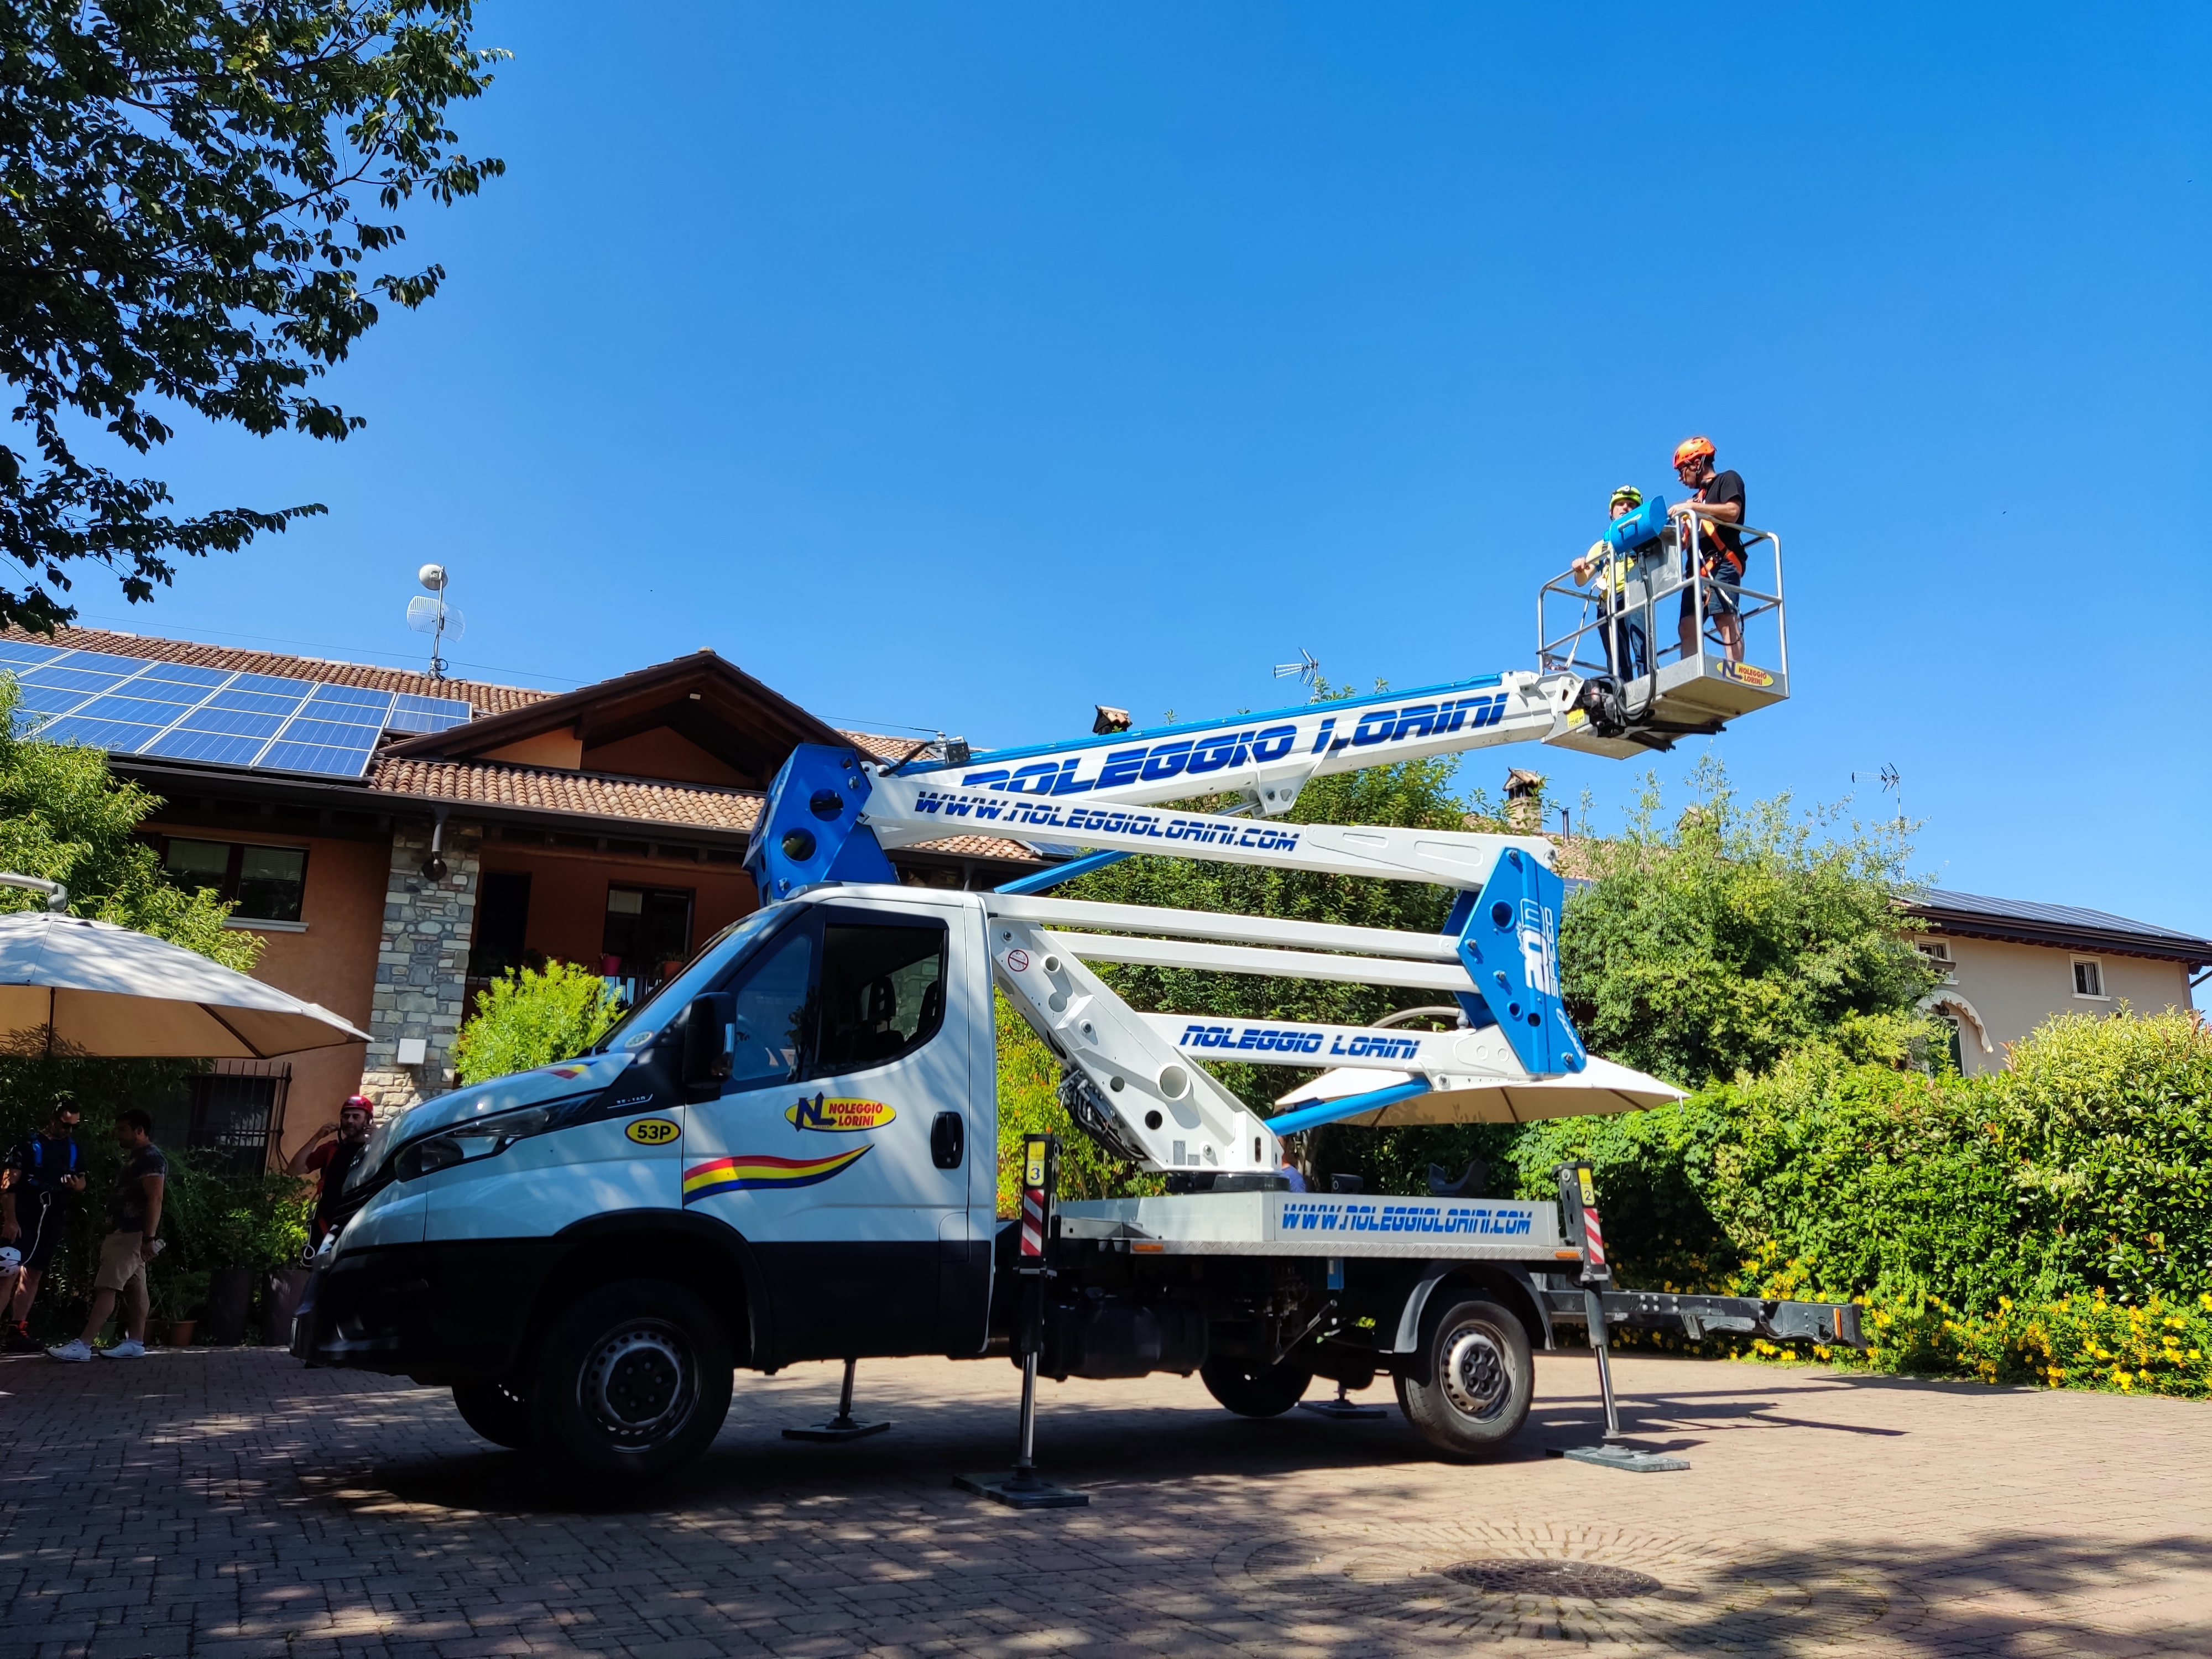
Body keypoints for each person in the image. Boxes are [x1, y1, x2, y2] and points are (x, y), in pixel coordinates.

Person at [48, 1109, 166, 1361]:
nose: (118, 1134)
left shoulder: (151, 1159)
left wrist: (149, 1237)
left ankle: (83, 1344)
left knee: (108, 1287)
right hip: (127, 1231)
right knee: (135, 1287)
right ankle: (135, 1341)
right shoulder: (139, 1158)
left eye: (123, 1129)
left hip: (130, 1233)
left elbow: (155, 1198)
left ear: (140, 1131)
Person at [2, 1094, 87, 1352]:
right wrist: (10, 1219)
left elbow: (82, 1181)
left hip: (51, 1218)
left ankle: (17, 1330)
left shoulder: (72, 1149)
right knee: (7, 1270)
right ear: (52, 1119)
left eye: (73, 1126)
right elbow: (7, 1185)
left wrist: (76, 1186)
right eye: (64, 1124)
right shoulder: (28, 1145)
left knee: (34, 1273)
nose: (68, 1130)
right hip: (23, 1216)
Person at [1669, 435, 1747, 663]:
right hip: (1696, 571)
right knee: (1687, 625)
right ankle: (1690, 672)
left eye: (1683, 470)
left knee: (1723, 617)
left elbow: (1733, 511)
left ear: (1697, 463)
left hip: (1722, 561)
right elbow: (1683, 542)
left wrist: (1692, 507)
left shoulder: (1727, 480)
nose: (1681, 477)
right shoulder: (1695, 500)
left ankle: (1736, 671)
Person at [1571, 485, 1652, 681]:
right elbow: (1582, 581)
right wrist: (1579, 567)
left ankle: (1649, 687)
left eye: (1632, 505)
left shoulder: (1646, 538)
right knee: (1616, 658)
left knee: (1642, 648)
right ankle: (1622, 694)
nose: (1625, 508)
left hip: (1636, 595)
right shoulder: (1603, 546)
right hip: (1608, 602)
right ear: (1611, 511)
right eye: (1620, 504)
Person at [287, 1094, 374, 1253]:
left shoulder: (375, 1150)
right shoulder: (331, 1149)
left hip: (359, 1222)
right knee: (320, 1272)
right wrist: (316, 1138)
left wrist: (380, 1140)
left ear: (368, 1120)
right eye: (346, 1116)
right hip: (327, 1223)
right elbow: (294, 1170)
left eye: (356, 1117)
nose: (350, 1121)